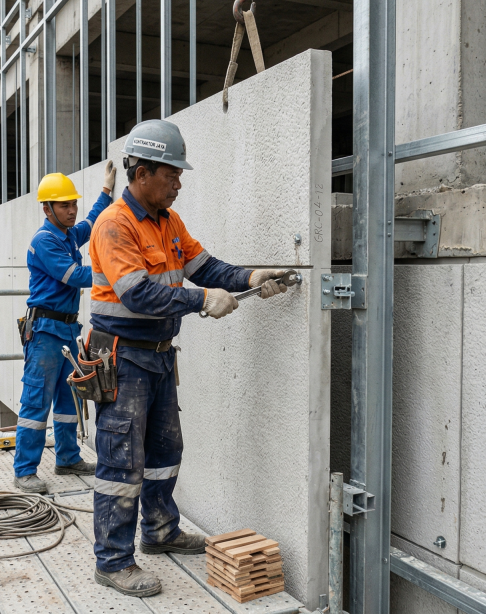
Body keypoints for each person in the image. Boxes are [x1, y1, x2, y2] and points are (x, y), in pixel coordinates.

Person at [87, 119, 290, 596]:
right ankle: (113, 561)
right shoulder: (113, 225)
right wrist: (201, 301)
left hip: (156, 357)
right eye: (172, 174)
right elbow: (136, 294)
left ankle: (159, 532)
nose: (179, 183)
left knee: (164, 451)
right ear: (142, 173)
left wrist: (251, 276)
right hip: (122, 358)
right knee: (121, 461)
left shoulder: (169, 223)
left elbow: (206, 266)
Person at [14, 163, 117, 493]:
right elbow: (76, 276)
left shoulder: (67, 233)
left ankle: (68, 458)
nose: (72, 210)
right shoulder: (45, 241)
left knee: (68, 399)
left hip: (65, 332)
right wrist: (120, 272)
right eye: (64, 205)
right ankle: (24, 471)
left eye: (73, 203)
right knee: (36, 402)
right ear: (47, 208)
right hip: (44, 332)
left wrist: (105, 192)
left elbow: (91, 224)